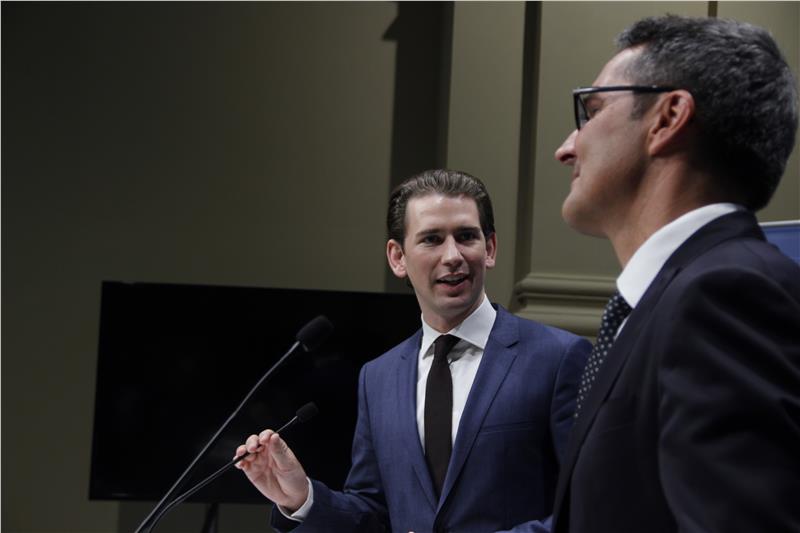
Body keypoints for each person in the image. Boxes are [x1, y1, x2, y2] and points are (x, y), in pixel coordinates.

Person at [551, 15, 800, 533]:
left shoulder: (725, 295)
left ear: (667, 118)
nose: (566, 147)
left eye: (591, 111)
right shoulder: (676, 298)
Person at [236, 169, 591, 532]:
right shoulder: (379, 377)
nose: (452, 255)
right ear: (397, 258)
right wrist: (302, 498)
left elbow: (589, 506)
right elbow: (373, 513)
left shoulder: (559, 358)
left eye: (466, 236)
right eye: (432, 239)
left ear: (490, 248)